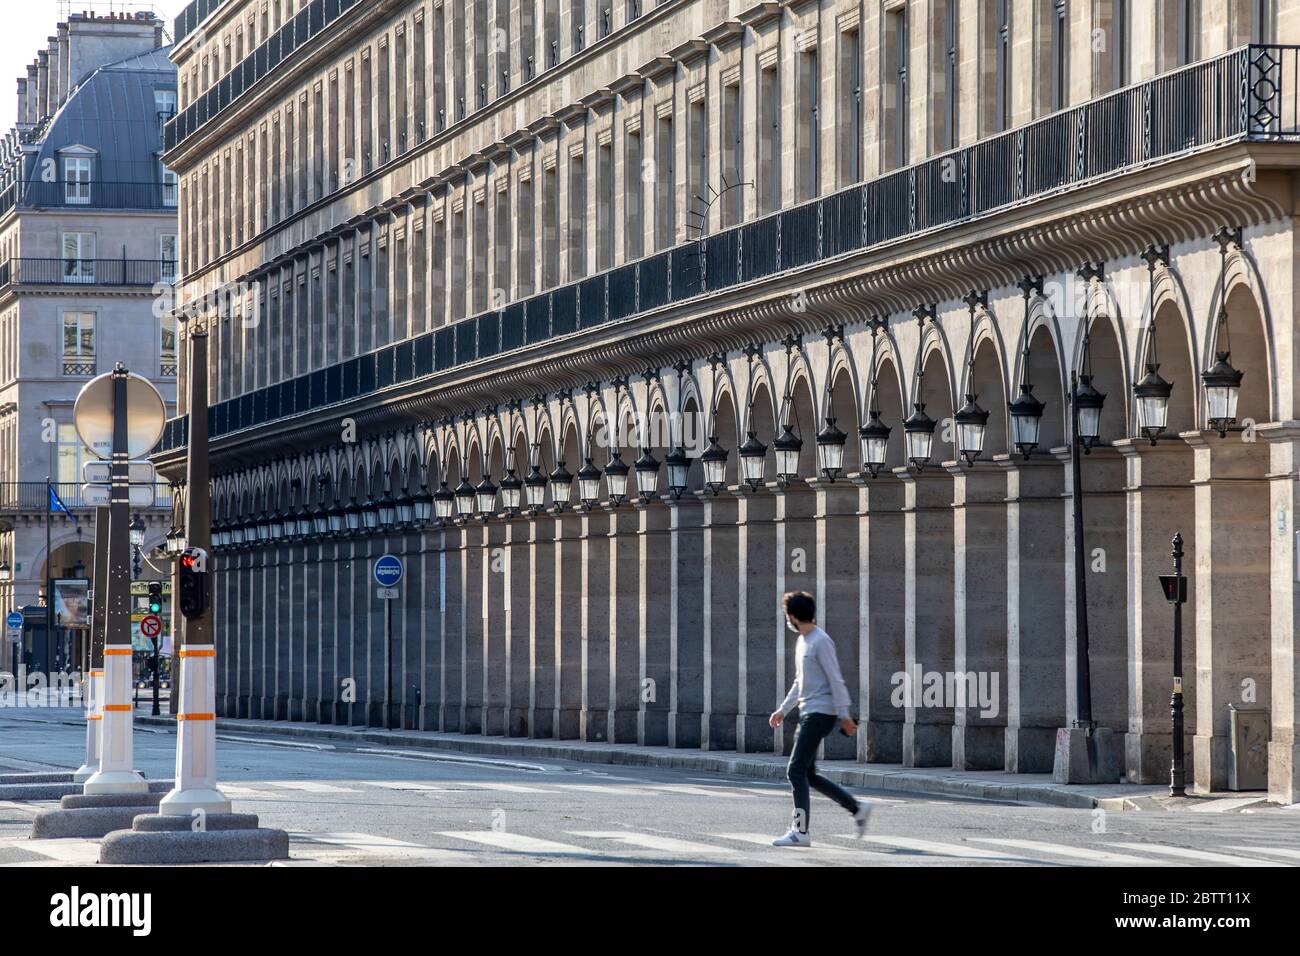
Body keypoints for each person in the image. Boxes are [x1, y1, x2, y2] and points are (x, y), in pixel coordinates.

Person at [769, 590, 871, 847]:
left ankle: (801, 831)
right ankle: (857, 809)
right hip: (808, 712)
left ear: (792, 616)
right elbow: (799, 682)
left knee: (794, 770)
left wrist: (845, 715)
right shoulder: (803, 642)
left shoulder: (820, 641)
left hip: (820, 714)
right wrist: (783, 709)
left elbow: (836, 680)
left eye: (787, 616)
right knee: (809, 774)